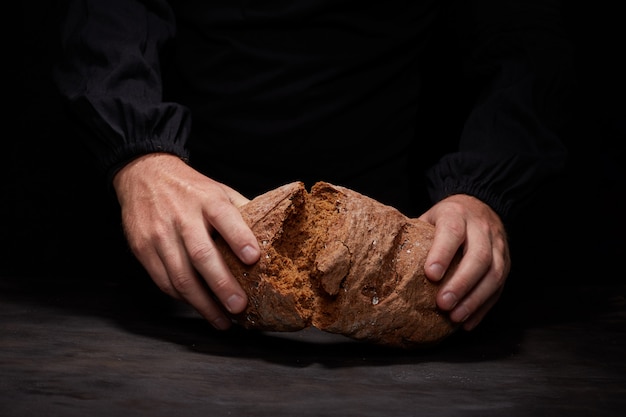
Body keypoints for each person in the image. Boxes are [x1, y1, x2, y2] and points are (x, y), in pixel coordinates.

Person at [53, 0, 574, 333]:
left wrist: (485, 187)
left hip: (392, 265)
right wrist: (139, 154)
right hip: (163, 259)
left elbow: (524, 35)